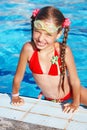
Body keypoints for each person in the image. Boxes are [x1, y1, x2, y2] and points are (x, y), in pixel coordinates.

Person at [12, 6, 87, 113]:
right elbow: (18, 77)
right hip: (50, 99)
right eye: (37, 31)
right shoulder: (28, 49)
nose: (41, 38)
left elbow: (74, 80)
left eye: (48, 34)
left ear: (58, 34)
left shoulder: (63, 50)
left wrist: (75, 103)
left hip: (75, 93)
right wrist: (15, 96)